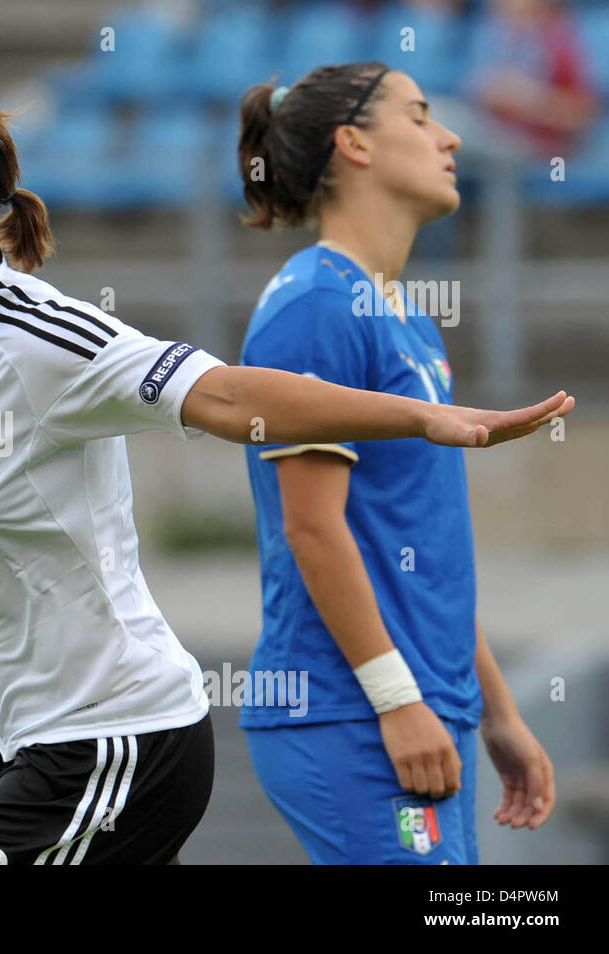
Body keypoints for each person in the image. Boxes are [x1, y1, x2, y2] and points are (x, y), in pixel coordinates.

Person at [0, 82, 572, 866]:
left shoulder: (50, 341)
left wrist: (418, 418)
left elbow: (224, 393)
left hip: (124, 736)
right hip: (39, 739)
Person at [235, 63, 559, 864]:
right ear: (354, 145)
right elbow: (313, 530)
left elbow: (420, 546)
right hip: (352, 709)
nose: (449, 136)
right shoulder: (315, 306)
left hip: (424, 704)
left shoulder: (405, 316)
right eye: (419, 117)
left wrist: (497, 713)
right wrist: (395, 700)